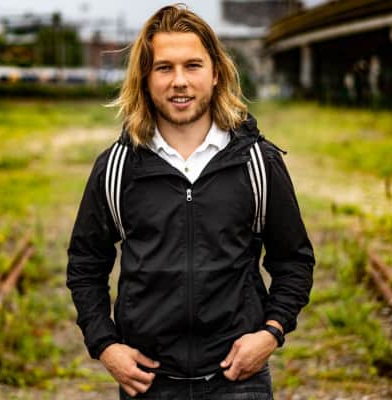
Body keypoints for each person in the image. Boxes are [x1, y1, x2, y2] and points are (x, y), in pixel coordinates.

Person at [67, 4, 314, 399]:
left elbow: (294, 261)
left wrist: (271, 333)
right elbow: (85, 265)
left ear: (215, 73)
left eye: (192, 66)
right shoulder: (117, 168)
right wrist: (105, 345)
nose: (179, 81)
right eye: (164, 68)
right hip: (149, 383)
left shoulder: (258, 162)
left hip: (239, 383)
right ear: (145, 78)